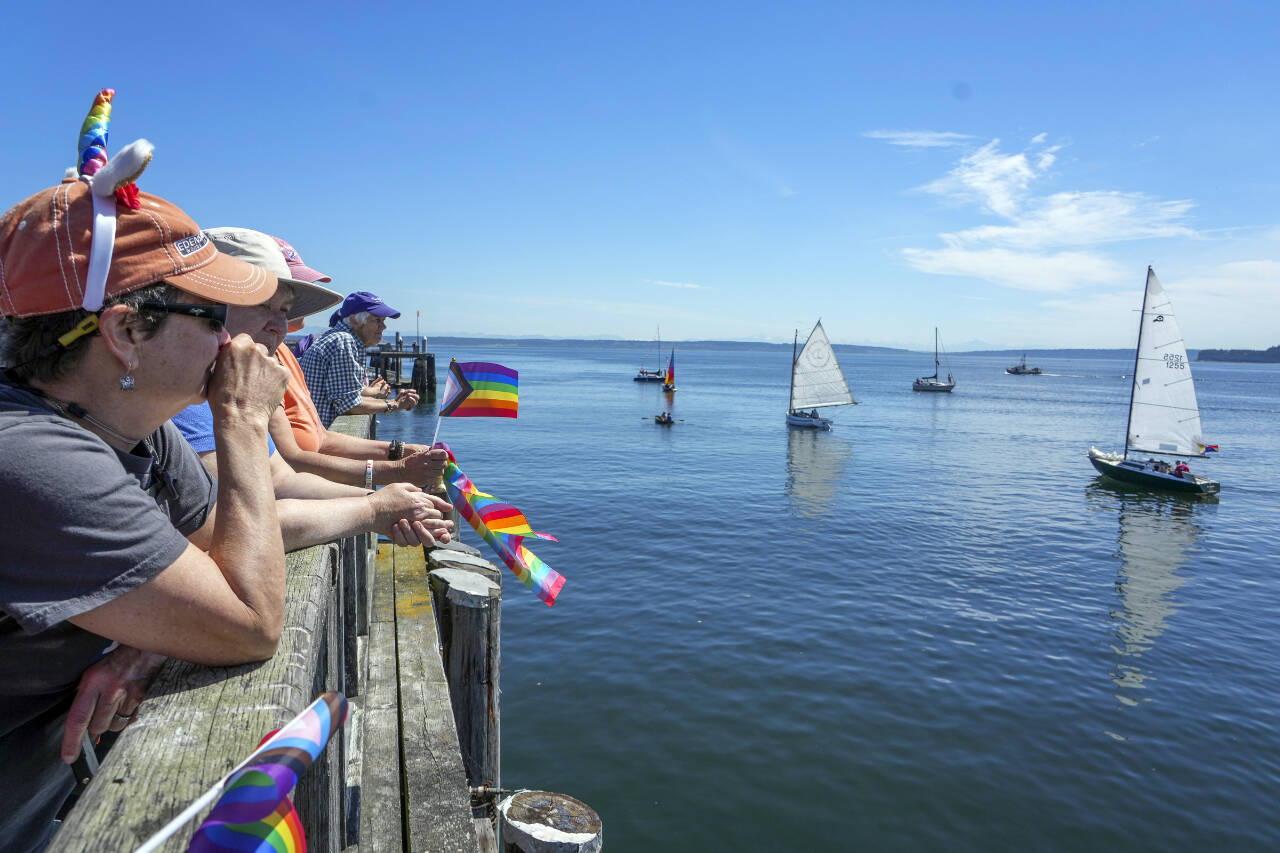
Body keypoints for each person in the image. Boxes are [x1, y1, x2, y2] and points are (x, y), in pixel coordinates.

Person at [0, 135, 289, 848]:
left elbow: (224, 559)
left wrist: (152, 638)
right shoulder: (29, 457)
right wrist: (245, 419)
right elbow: (251, 619)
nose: (239, 345)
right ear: (126, 331)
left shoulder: (130, 426)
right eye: (215, 319)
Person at [173, 228, 452, 548]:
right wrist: (377, 501)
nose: (280, 326)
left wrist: (390, 501)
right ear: (203, 306)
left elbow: (281, 480)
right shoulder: (176, 402)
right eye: (262, 303)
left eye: (285, 309)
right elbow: (220, 523)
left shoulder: (233, 383)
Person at [226, 231, 449, 490]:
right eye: (265, 304)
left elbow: (319, 437)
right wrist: (394, 465)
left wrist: (399, 452)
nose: (383, 327)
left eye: (285, 306)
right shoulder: (339, 343)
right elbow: (344, 405)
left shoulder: (281, 355)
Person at [298, 291, 419, 428]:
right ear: (354, 320)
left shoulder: (336, 338)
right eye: (377, 320)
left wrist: (379, 396)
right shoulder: (343, 341)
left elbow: (344, 393)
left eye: (383, 321)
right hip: (321, 437)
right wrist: (395, 404)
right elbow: (349, 405)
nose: (383, 327)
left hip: (316, 432)